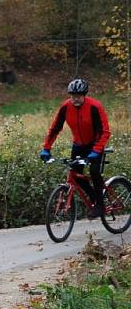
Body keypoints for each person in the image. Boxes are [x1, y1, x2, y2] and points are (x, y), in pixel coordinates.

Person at [40, 78, 111, 219]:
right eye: (72, 96)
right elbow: (55, 128)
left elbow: (104, 132)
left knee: (94, 171)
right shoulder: (66, 107)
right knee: (75, 175)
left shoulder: (94, 107)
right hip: (78, 145)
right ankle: (93, 197)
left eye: (78, 96)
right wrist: (46, 148)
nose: (75, 99)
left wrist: (95, 151)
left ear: (84, 95)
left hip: (95, 144)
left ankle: (100, 205)